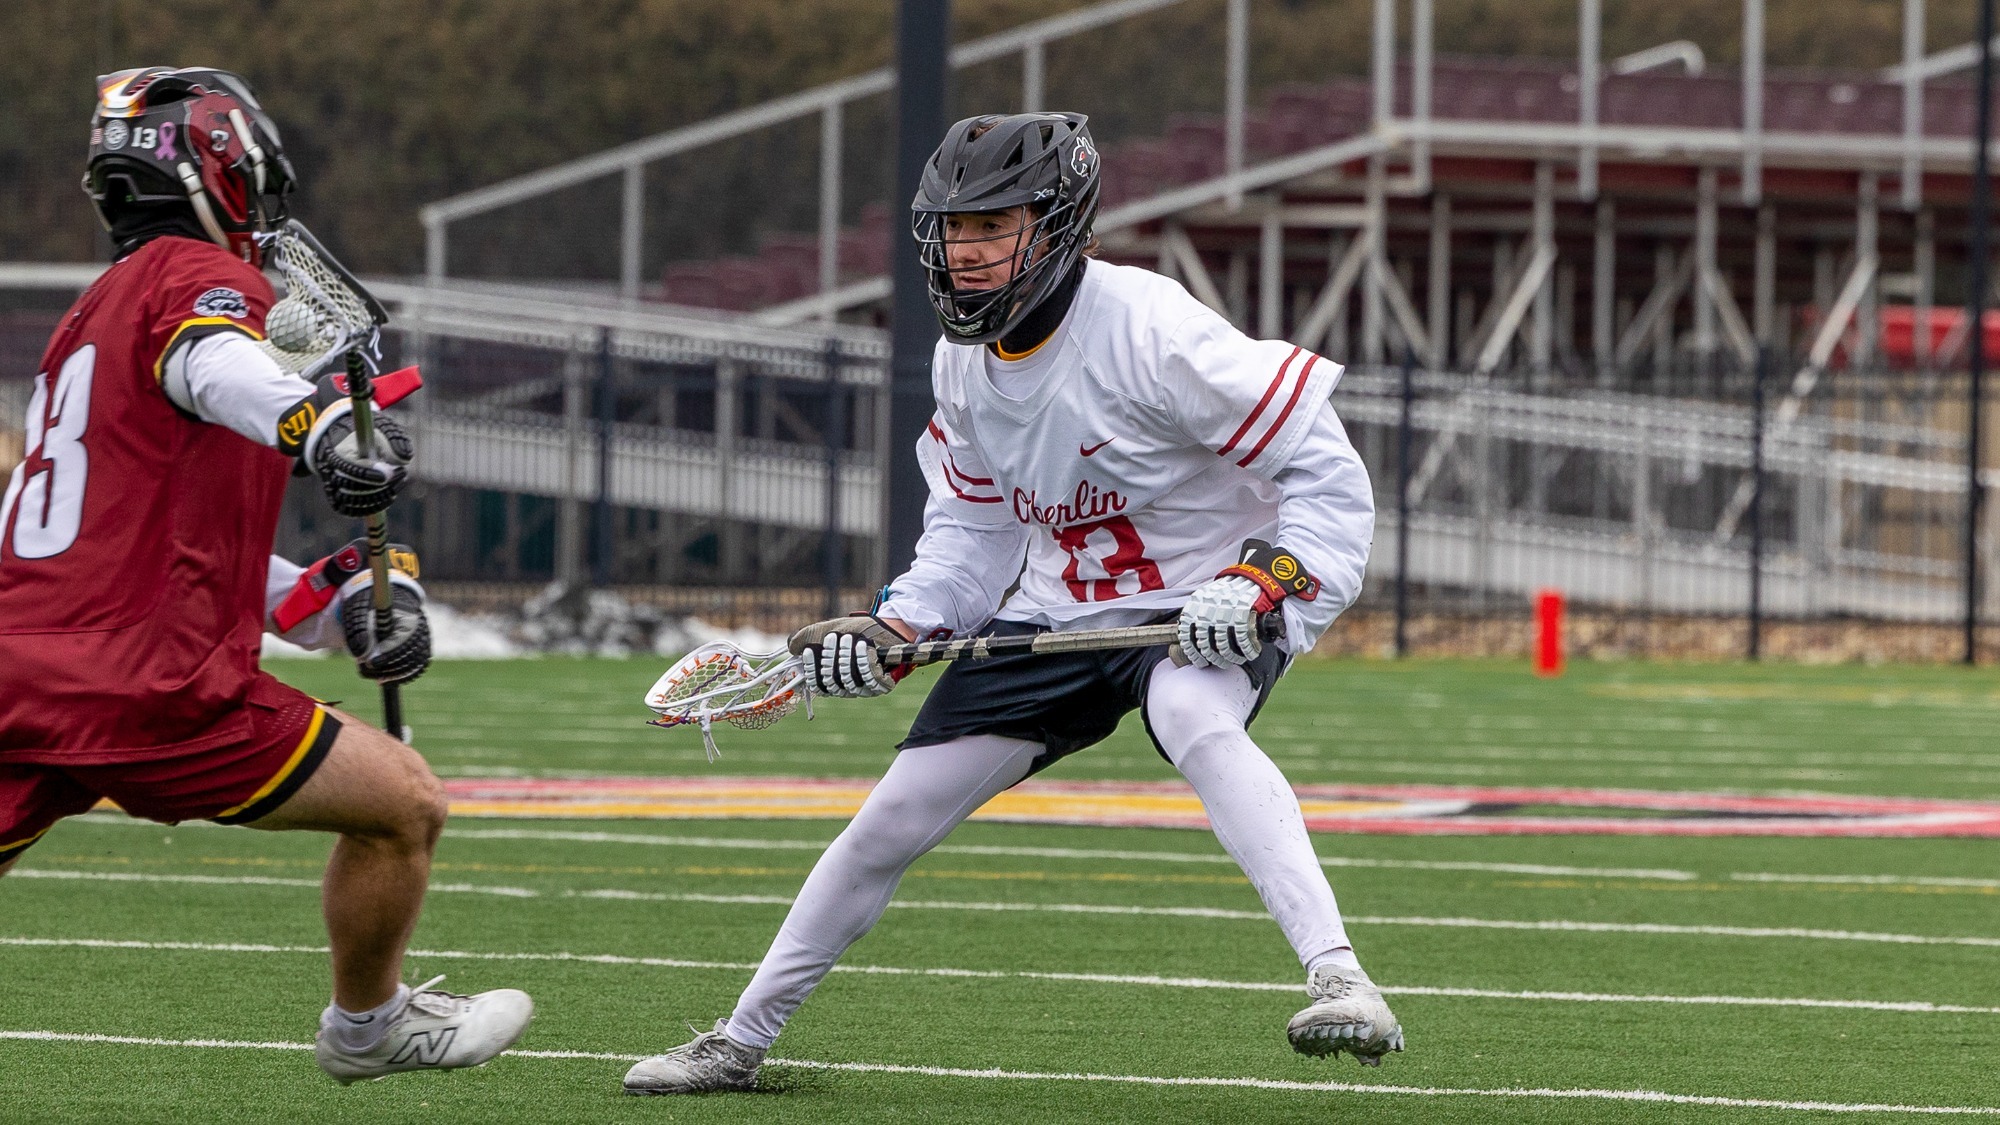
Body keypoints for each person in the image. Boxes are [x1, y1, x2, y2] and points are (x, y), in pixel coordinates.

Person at [623, 112, 1394, 1096]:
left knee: (1190, 711)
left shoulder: (1154, 332)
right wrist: (899, 624)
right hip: (1056, 614)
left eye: (993, 226)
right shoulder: (962, 367)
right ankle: (737, 1041)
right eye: (952, 230)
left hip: (1200, 604)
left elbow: (1328, 480)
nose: (967, 251)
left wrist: (1263, 580)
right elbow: (971, 538)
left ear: (1059, 222)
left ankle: (1340, 979)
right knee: (890, 819)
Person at [0, 67, 532, 1084]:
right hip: (135, 684)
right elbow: (215, 360)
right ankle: (370, 1025)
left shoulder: (88, 321)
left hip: (20, 668)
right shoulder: (194, 283)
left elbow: (151, 543)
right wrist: (319, 423)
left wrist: (330, 607)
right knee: (405, 805)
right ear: (222, 166)